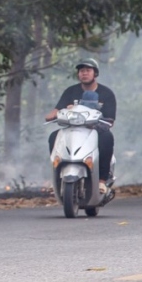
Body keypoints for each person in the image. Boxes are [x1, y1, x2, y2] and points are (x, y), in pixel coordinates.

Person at [45, 57, 116, 195]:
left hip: (95, 130)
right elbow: (56, 110)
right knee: (53, 137)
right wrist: (55, 114)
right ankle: (57, 178)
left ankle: (102, 180)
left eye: (88, 70)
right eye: (81, 71)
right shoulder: (70, 91)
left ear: (95, 73)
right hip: (72, 129)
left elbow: (110, 120)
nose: (84, 73)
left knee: (107, 138)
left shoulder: (106, 93)